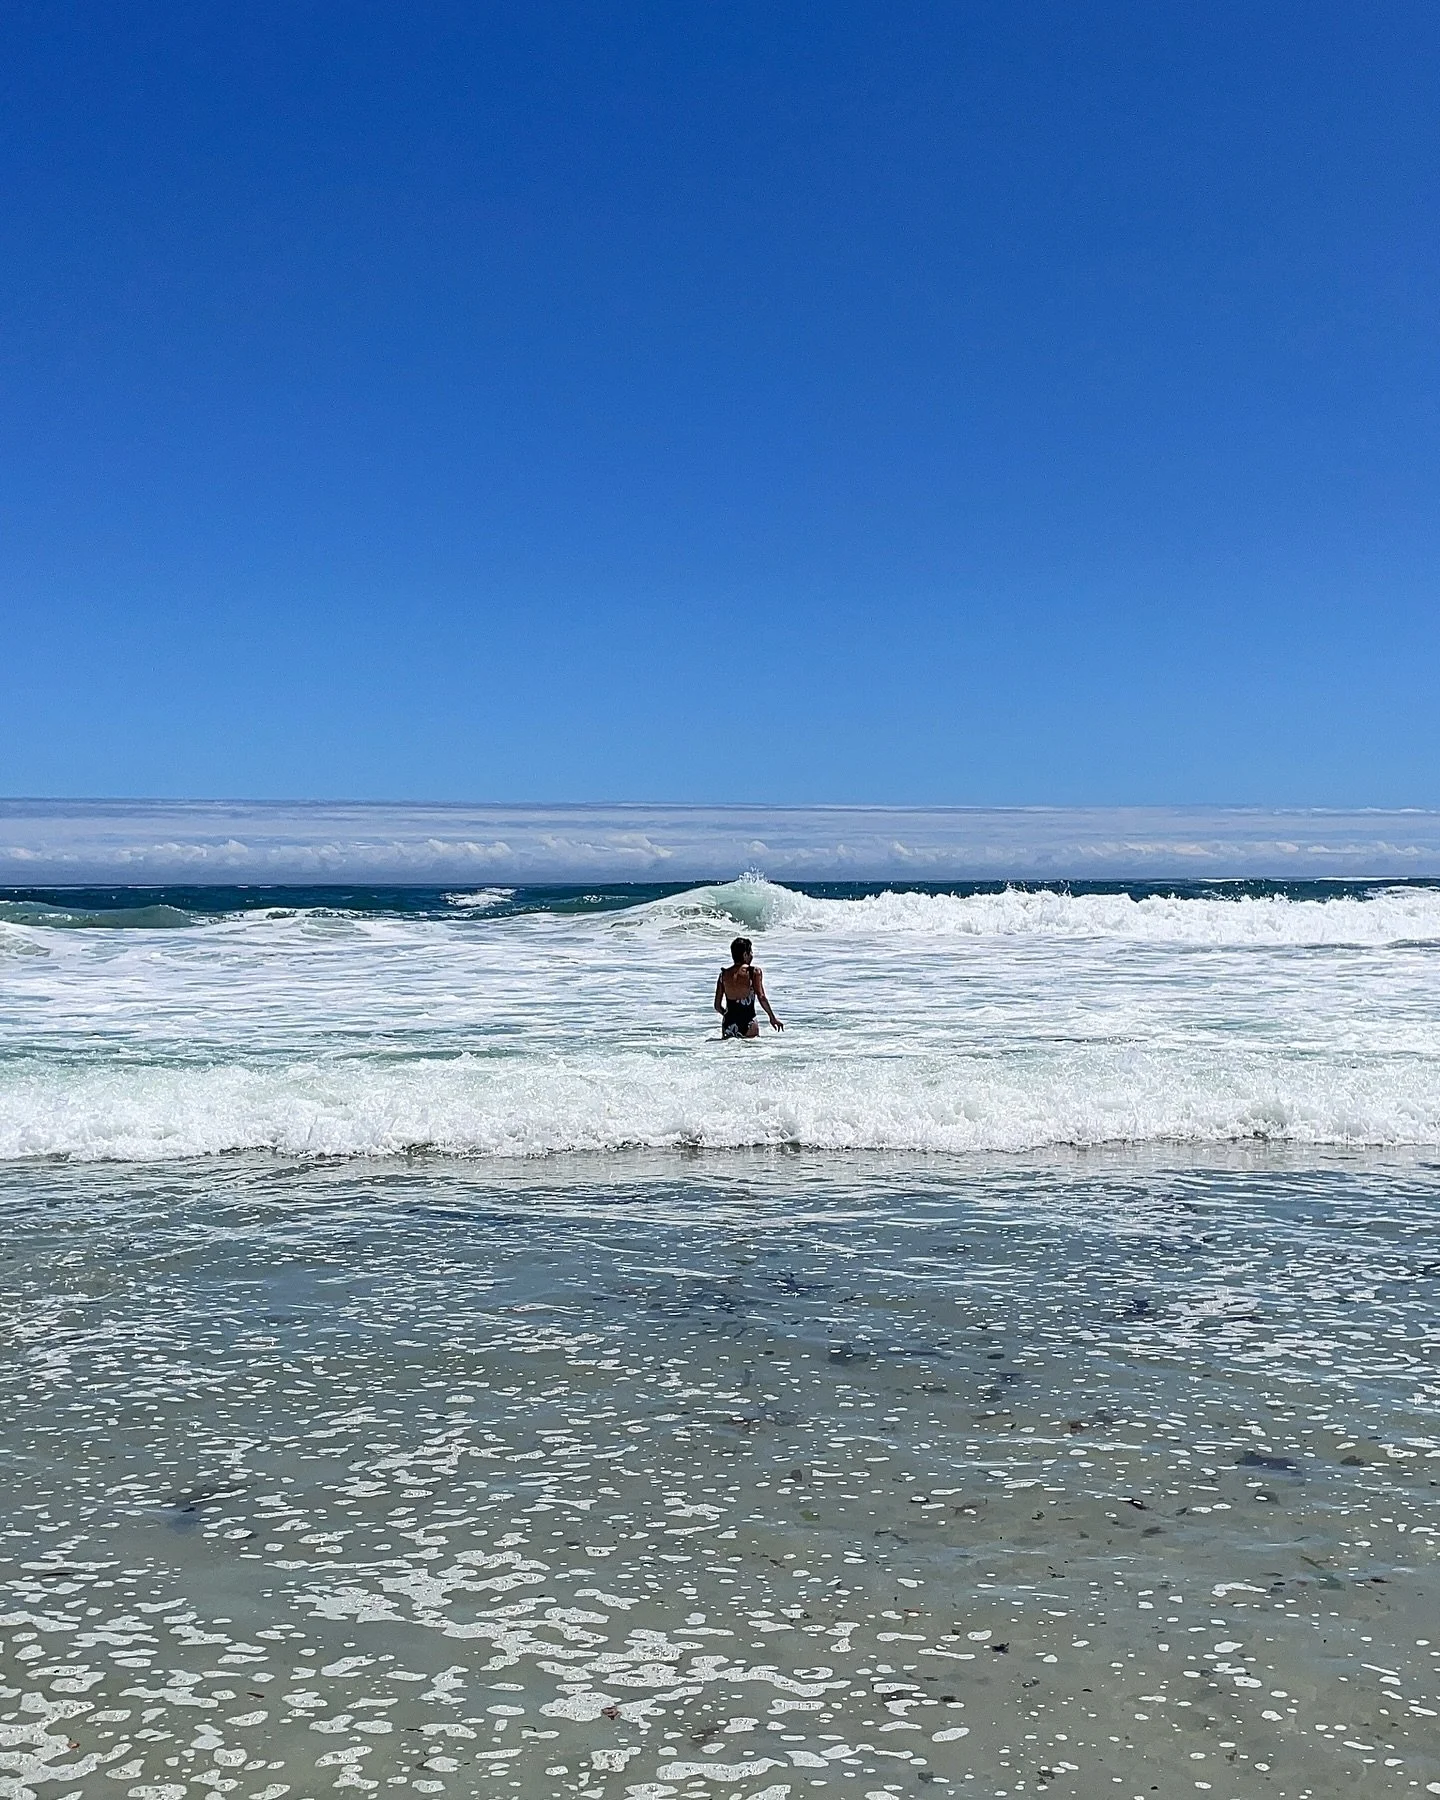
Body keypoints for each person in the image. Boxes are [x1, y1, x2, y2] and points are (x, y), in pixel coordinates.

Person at [714, 936, 783, 1039]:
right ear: (745, 954)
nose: (752, 955)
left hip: (728, 1023)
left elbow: (717, 1006)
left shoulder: (723, 975)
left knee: (729, 1053)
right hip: (748, 1022)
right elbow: (761, 997)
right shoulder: (753, 972)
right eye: (750, 952)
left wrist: (729, 1015)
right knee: (751, 1053)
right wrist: (772, 1017)